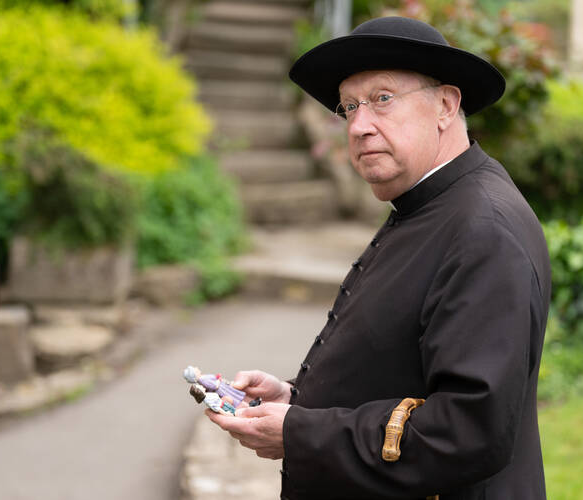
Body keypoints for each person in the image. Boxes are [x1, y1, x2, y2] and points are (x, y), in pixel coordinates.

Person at [207, 16, 551, 500]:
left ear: (446, 106)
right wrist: (295, 402)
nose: (359, 126)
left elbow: (469, 430)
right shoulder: (432, 204)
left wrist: (300, 433)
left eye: (383, 99)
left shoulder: (484, 229)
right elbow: (396, 365)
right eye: (349, 107)